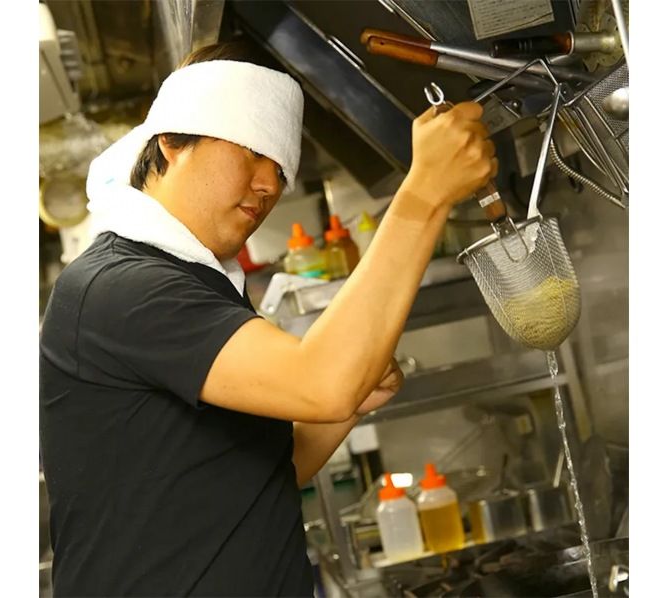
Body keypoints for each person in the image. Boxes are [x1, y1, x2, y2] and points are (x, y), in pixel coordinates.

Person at [39, 39, 497, 597]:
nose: (269, 184)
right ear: (171, 141)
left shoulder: (195, 282)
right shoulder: (124, 288)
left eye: (281, 166)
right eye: (253, 151)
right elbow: (319, 382)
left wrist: (347, 398)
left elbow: (251, 482)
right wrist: (425, 191)